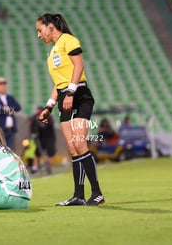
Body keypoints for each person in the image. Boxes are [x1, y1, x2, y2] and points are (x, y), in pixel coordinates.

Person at [36, 13, 105, 206]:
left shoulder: (69, 40)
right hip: (64, 97)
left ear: (50, 26)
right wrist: (48, 106)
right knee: (72, 149)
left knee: (80, 144)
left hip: (79, 95)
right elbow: (58, 83)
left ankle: (97, 193)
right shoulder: (52, 52)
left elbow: (79, 65)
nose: (39, 35)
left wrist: (71, 92)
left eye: (39, 30)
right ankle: (78, 195)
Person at [0, 77, 21, 149]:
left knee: (9, 150)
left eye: (4, 84)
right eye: (0, 84)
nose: (3, 86)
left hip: (10, 129)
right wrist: (4, 109)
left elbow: (18, 107)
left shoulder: (9, 97)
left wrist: (9, 109)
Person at [30, 106, 57, 175]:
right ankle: (34, 167)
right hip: (40, 137)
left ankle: (49, 168)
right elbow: (32, 126)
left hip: (49, 137)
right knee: (37, 152)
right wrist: (33, 133)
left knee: (50, 153)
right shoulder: (35, 117)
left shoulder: (48, 117)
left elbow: (49, 125)